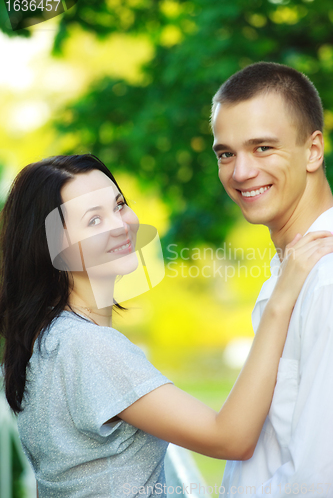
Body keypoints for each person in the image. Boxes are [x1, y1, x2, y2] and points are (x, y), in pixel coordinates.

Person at [1, 155, 333, 498]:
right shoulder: (88, 348)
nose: (120, 225)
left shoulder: (44, 344)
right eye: (95, 219)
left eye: (119, 205)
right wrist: (281, 297)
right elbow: (230, 437)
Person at [211, 62, 333, 496]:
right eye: (225, 153)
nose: (240, 172)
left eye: (262, 147)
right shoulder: (291, 270)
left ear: (313, 150)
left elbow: (318, 479)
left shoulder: (326, 280)